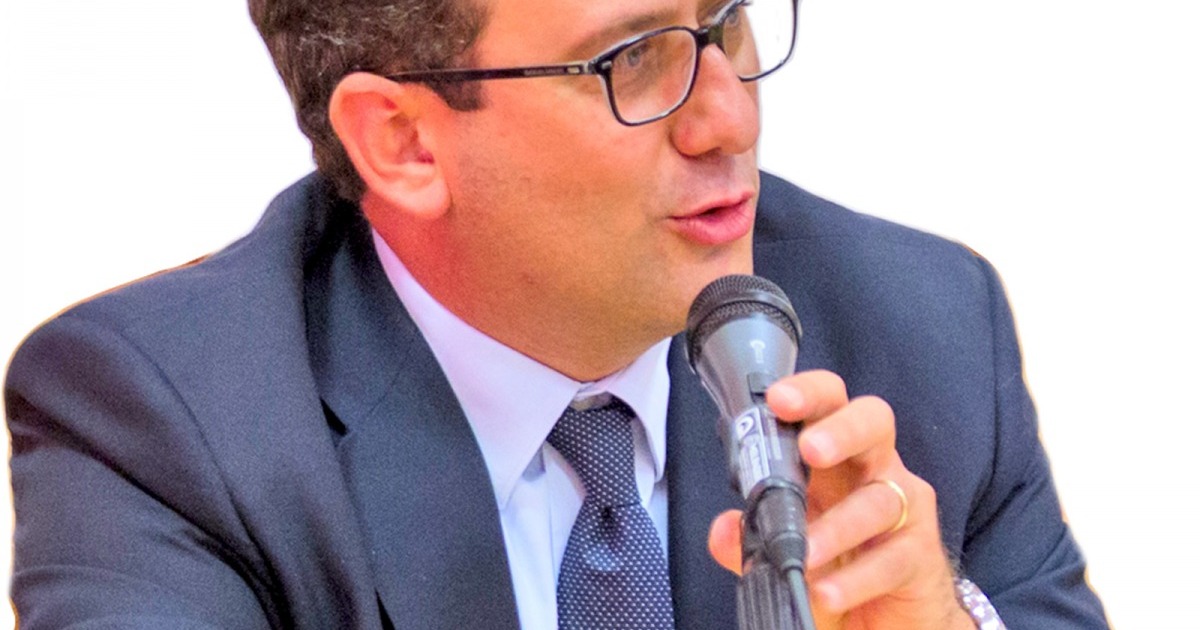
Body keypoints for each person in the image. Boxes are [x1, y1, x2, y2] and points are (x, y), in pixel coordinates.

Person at [4, 0, 1109, 628]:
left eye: (724, 22)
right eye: (634, 61)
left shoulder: (922, 330)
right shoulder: (163, 421)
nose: (729, 118)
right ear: (404, 141)